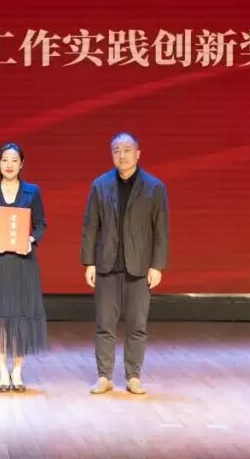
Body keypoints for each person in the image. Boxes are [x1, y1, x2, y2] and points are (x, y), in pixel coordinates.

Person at [80, 132, 170, 396]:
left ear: (138, 154)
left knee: (137, 325)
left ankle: (133, 376)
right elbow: (90, 226)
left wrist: (157, 266)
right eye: (117, 151)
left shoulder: (154, 188)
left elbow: (161, 231)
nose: (122, 155)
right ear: (112, 155)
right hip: (106, 265)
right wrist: (89, 263)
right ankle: (104, 376)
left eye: (127, 150)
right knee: (104, 324)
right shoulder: (100, 185)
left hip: (139, 266)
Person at [0, 142, 48, 392]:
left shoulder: (32, 192)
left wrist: (31, 240)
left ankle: (17, 370)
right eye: (5, 160)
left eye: (14, 160)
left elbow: (41, 224)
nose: (9, 165)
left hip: (24, 261)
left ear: (22, 164)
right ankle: (3, 370)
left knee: (22, 315)